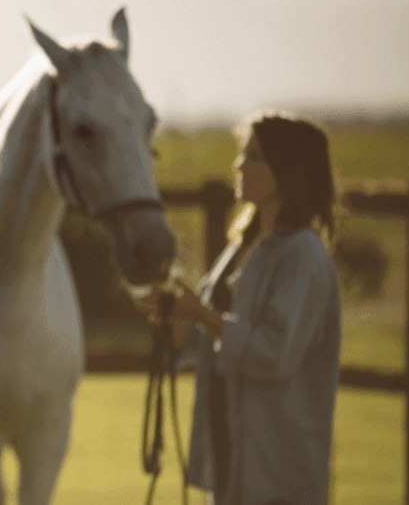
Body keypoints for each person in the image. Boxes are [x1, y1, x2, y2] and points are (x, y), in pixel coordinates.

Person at [137, 113, 342, 505]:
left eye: (254, 156)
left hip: (277, 471)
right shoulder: (240, 249)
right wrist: (172, 314)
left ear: (287, 170)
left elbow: (273, 353)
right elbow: (208, 341)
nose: (239, 164)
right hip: (230, 458)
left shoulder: (303, 256)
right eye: (243, 153)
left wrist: (201, 314)